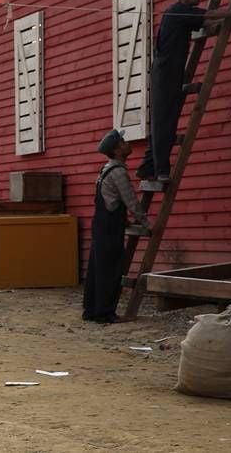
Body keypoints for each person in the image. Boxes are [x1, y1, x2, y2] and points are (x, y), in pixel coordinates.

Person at [136, 0, 231, 182]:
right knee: (165, 122)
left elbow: (209, 22)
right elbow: (211, 14)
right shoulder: (178, 11)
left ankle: (147, 168)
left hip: (169, 72)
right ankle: (161, 171)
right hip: (166, 73)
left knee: (164, 118)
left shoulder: (182, 14)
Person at [84, 130, 151, 324]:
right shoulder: (118, 172)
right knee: (111, 270)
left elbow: (110, 199)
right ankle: (105, 314)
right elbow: (130, 201)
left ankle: (91, 311)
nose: (127, 144)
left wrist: (125, 221)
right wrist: (146, 223)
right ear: (116, 150)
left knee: (98, 269)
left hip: (101, 223)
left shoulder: (105, 169)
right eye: (122, 142)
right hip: (109, 227)